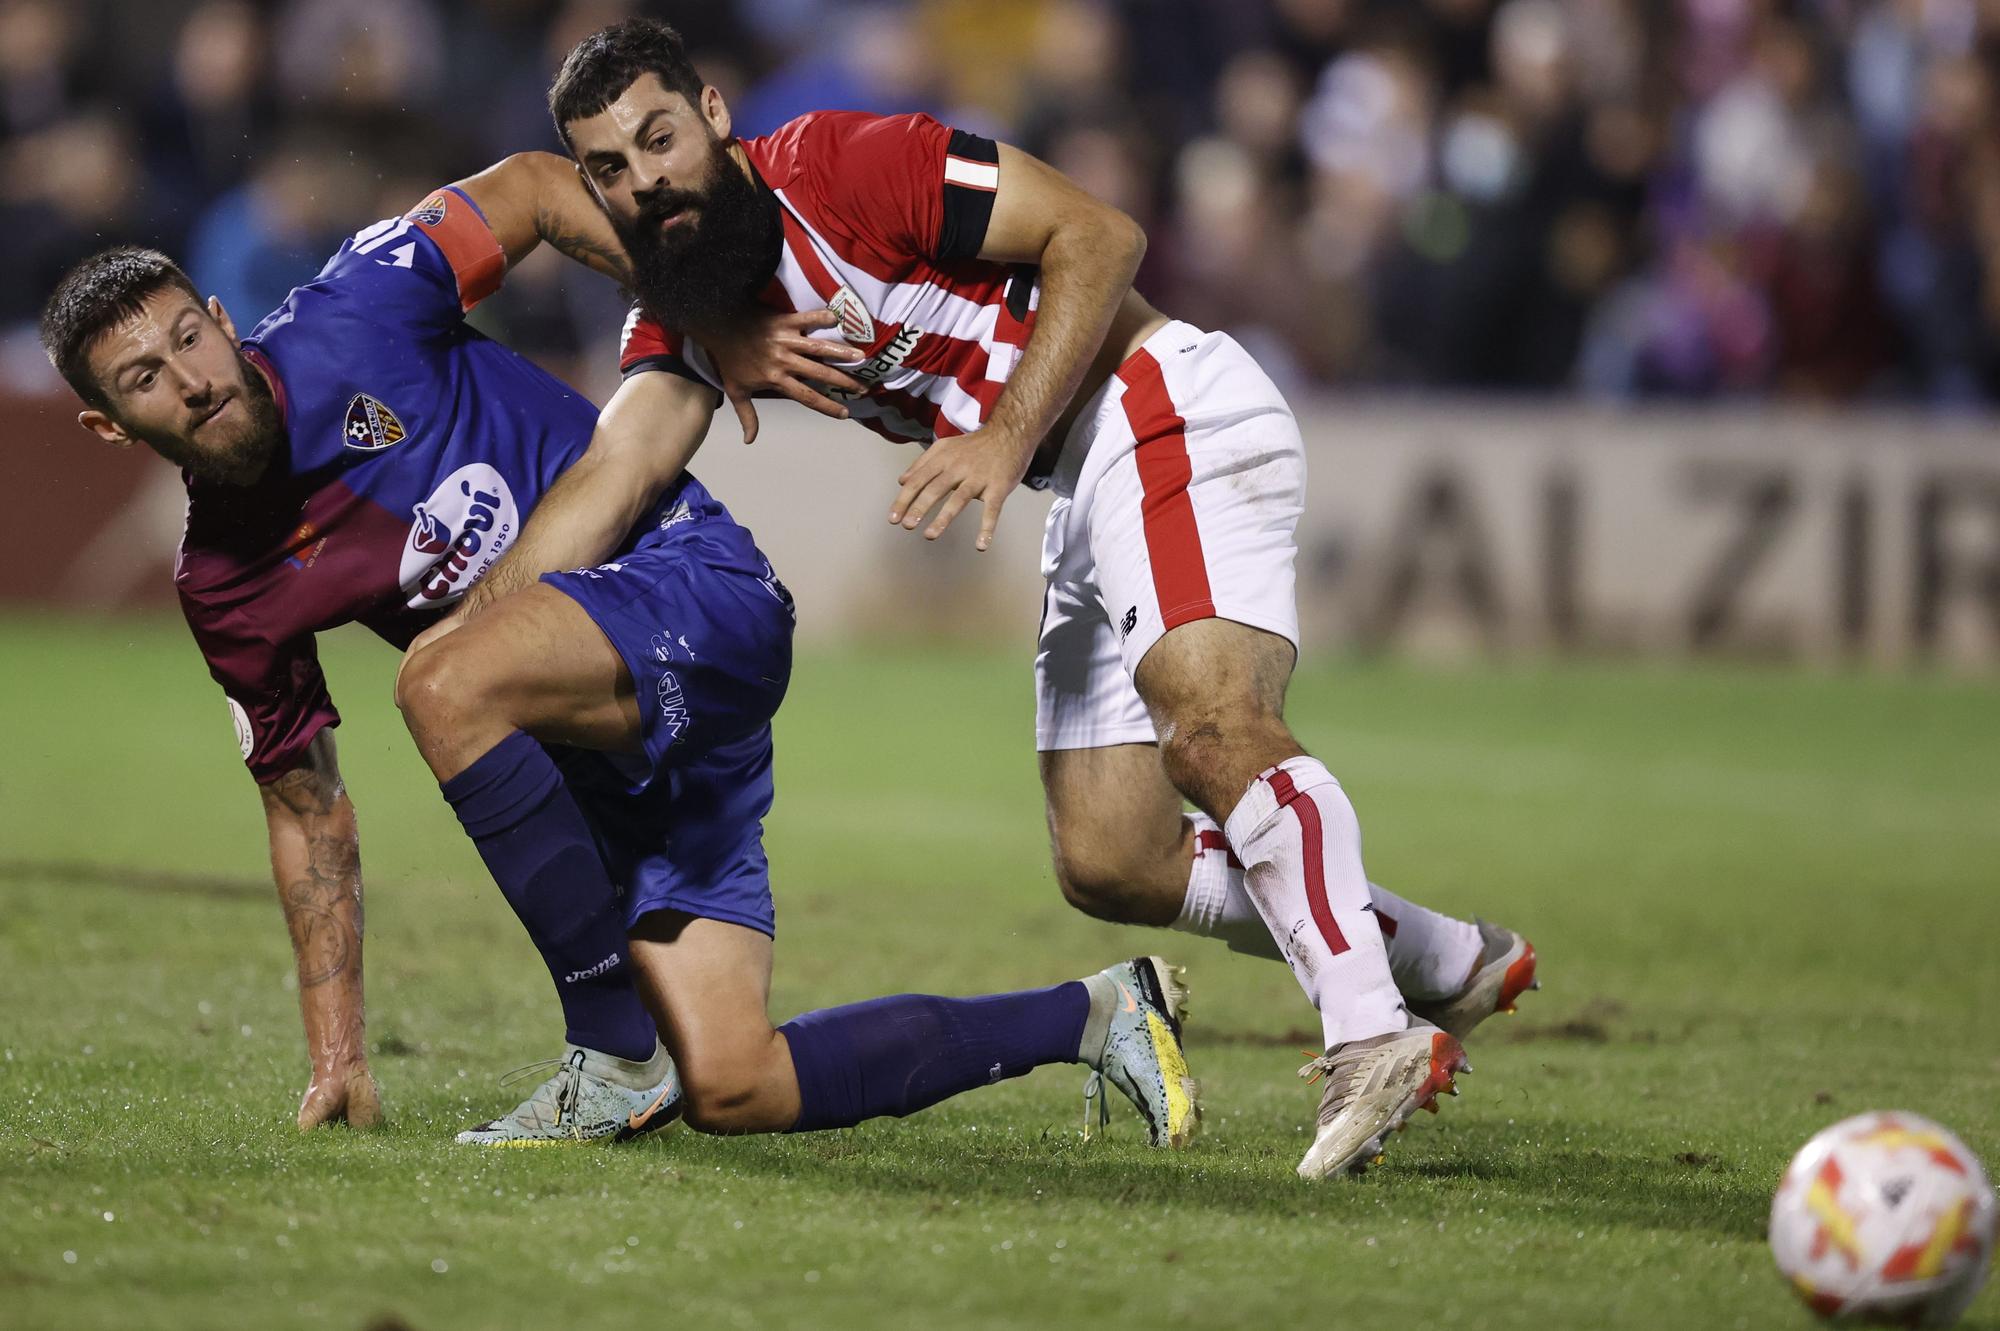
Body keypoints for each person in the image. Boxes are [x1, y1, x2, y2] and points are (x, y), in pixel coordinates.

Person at [485, 18, 1539, 1179]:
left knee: (1211, 723)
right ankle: (1447, 958)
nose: (646, 180)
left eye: (659, 139)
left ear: (716, 115)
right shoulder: (692, 315)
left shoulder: (841, 164)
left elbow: (1099, 232)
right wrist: (481, 637)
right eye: (612, 169)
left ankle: (1370, 1032)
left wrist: (1000, 433)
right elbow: (613, 473)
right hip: (1082, 478)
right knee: (1110, 857)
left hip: (1159, 405)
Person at [37, 160, 1199, 1150]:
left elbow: (541, 189)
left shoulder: (361, 302)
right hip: (615, 742)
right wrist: (336, 1049)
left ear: (222, 319)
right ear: (107, 424)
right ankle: (1098, 1017)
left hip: (693, 589)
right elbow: (306, 808)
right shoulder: (224, 584)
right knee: (733, 1081)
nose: (189, 378)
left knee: (440, 675)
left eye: (189, 336)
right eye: (145, 377)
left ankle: (602, 1051)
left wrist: (703, 314)